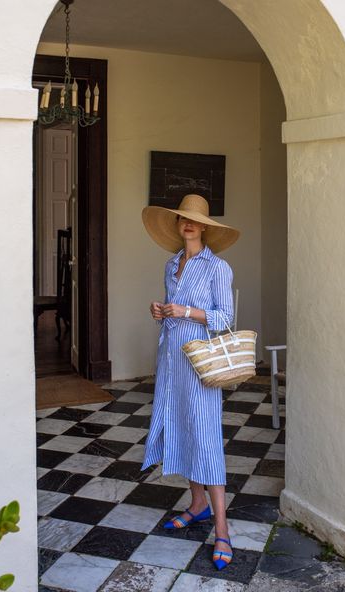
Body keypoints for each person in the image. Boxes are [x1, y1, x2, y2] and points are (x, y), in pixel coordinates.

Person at [140, 194, 240, 570]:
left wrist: (185, 311)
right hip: (171, 361)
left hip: (200, 364)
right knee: (180, 429)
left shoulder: (218, 267)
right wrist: (161, 311)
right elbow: (172, 311)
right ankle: (196, 505)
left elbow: (225, 318)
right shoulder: (171, 264)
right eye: (183, 218)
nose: (189, 224)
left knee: (205, 436)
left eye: (195, 220)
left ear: (205, 227)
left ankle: (222, 528)